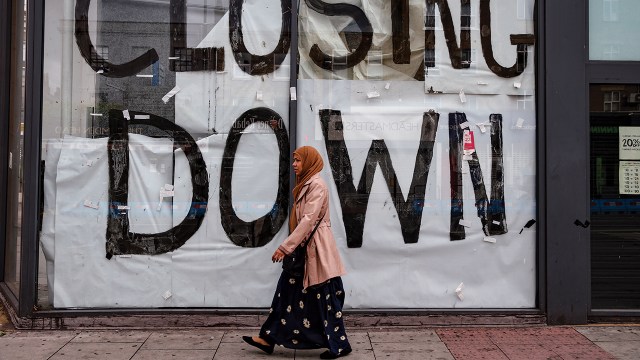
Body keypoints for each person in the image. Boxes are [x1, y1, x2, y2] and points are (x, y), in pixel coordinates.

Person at [243, 146, 352, 359]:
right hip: (303, 251)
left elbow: (308, 220)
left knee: (324, 299)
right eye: (293, 160)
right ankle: (268, 338)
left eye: (298, 161)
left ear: (309, 162)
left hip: (315, 251)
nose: (294, 164)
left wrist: (285, 247)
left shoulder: (317, 186)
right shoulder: (305, 185)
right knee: (285, 294)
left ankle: (339, 345)